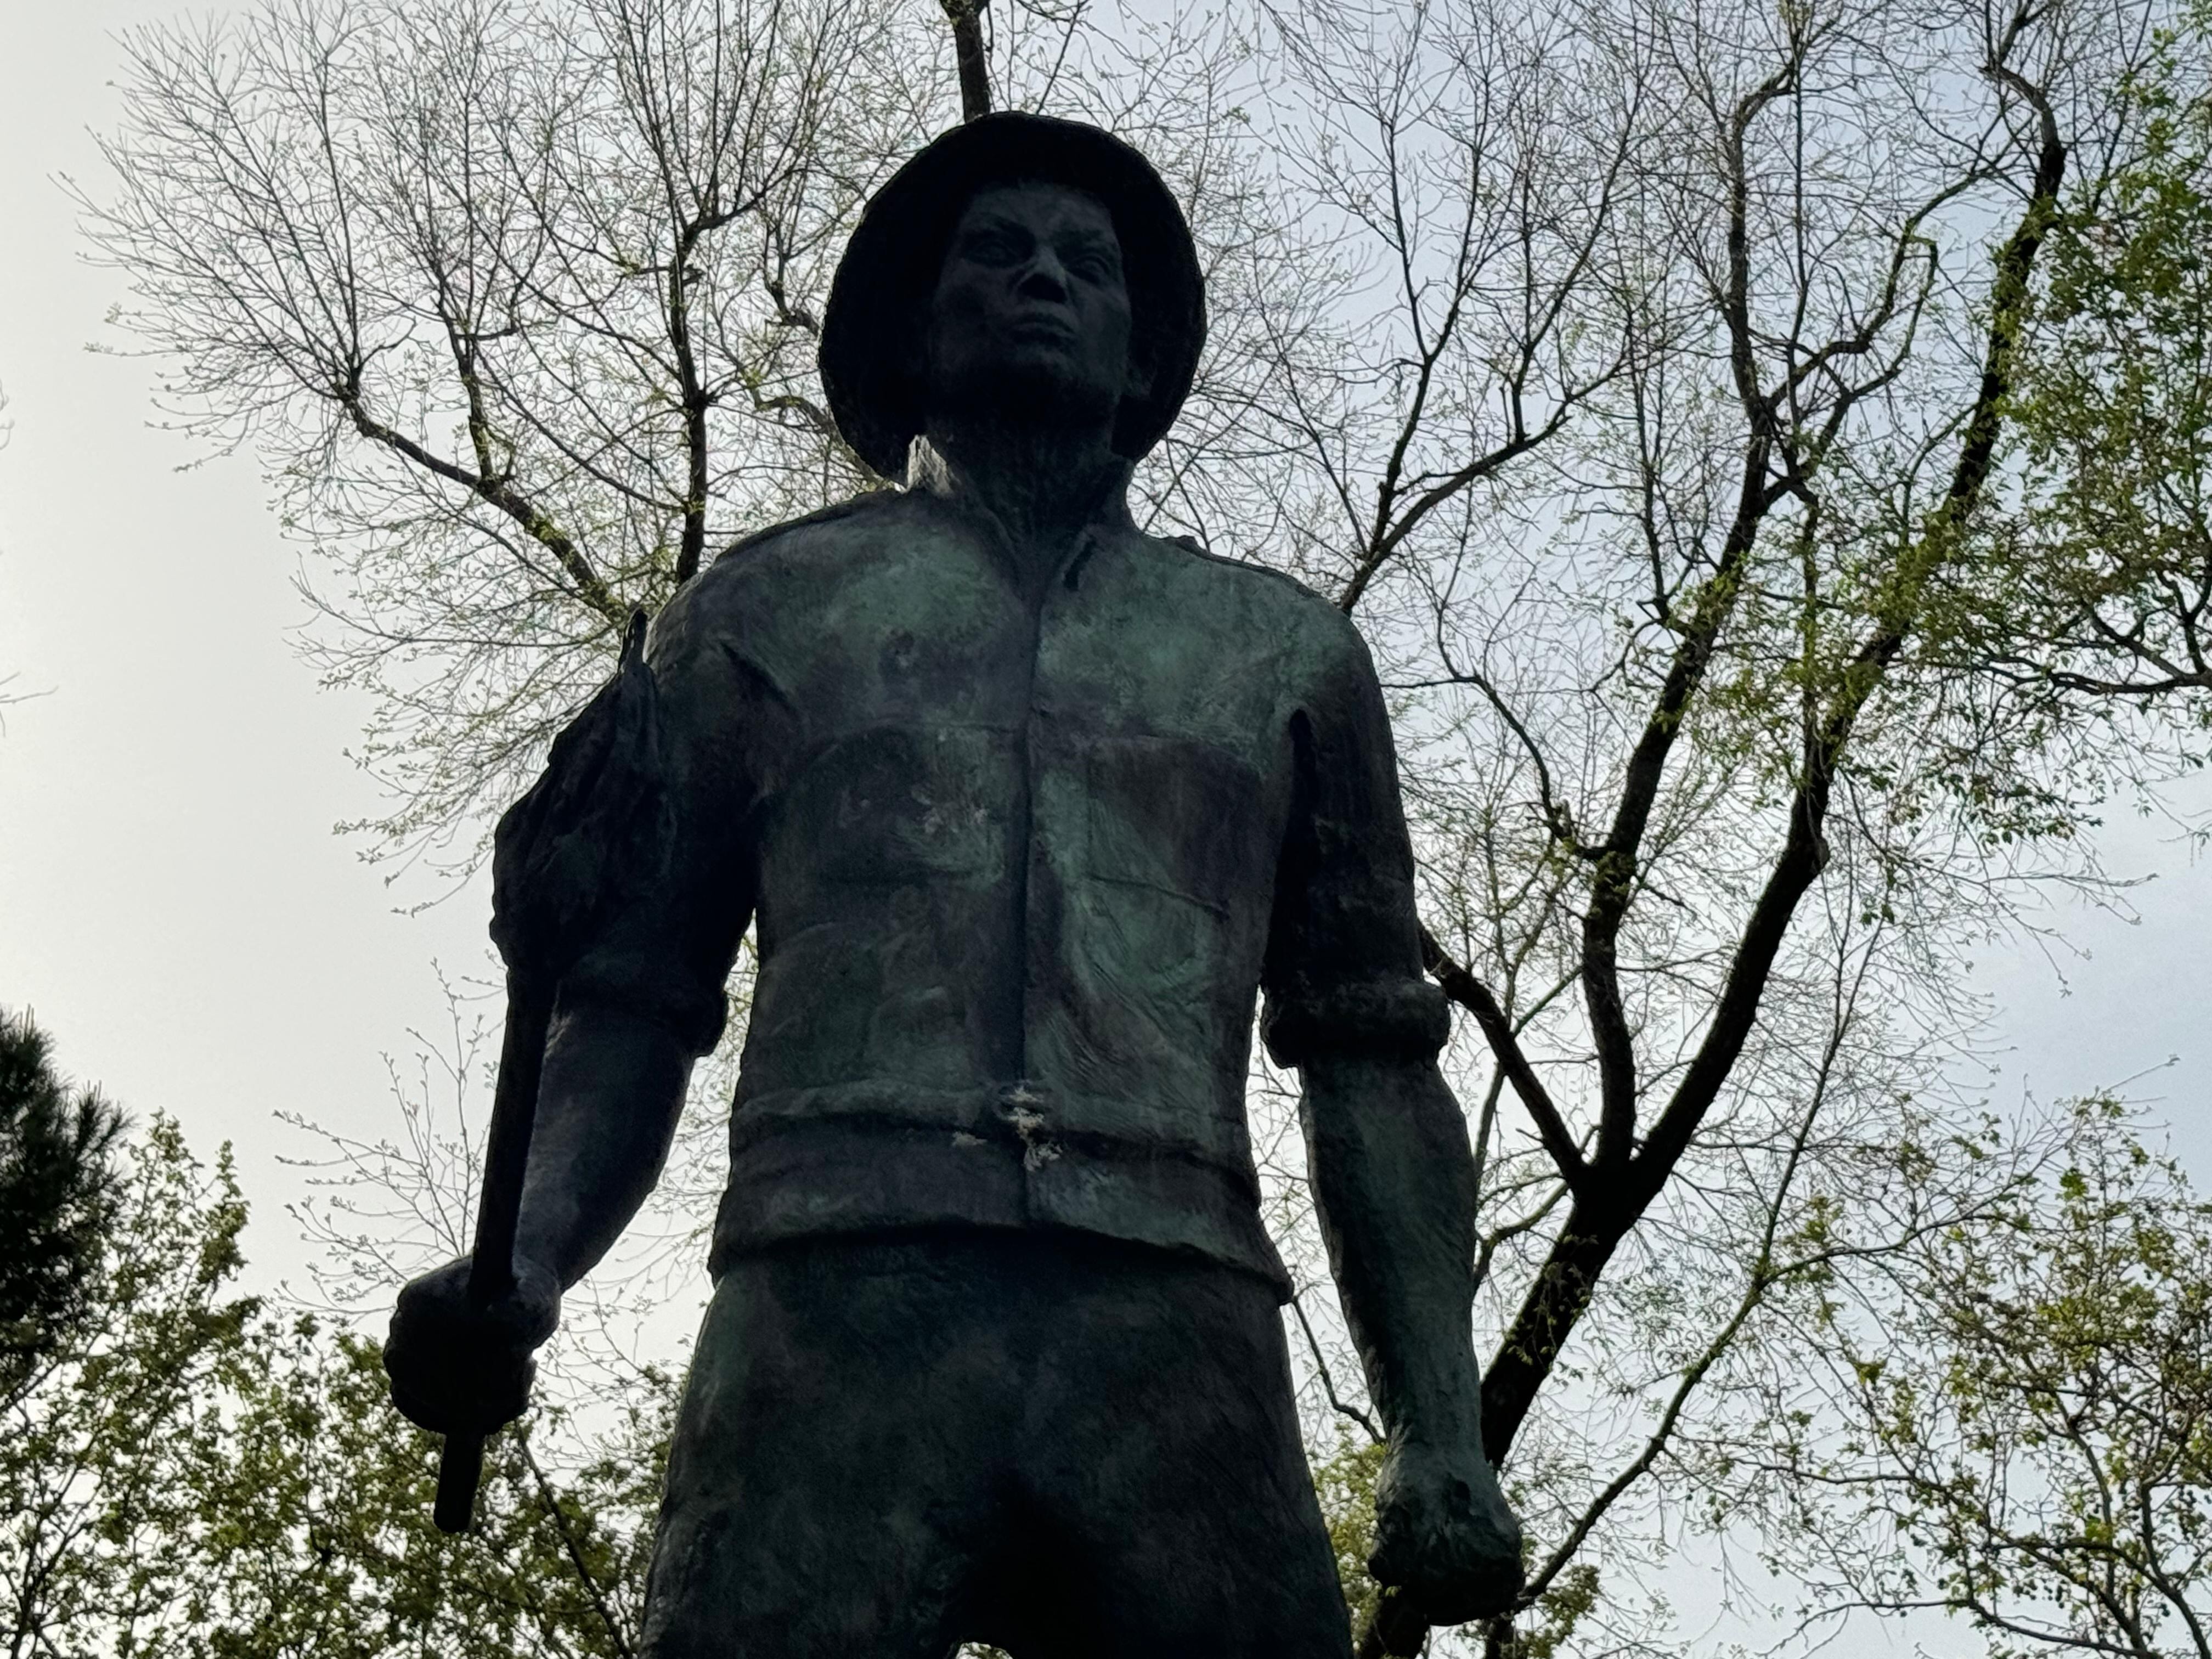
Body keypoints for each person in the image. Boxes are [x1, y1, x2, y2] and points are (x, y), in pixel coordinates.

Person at [384, 112, 1522, 1658]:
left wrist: (1439, 1431)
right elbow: (631, 1005)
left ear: (1144, 359)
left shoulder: (1283, 655)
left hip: (1172, 1322)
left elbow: (1374, 1059)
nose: (1043, 278)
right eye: (997, 252)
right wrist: (524, 1255)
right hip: (835, 1299)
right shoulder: (759, 614)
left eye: (1087, 264)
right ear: (913, 331)